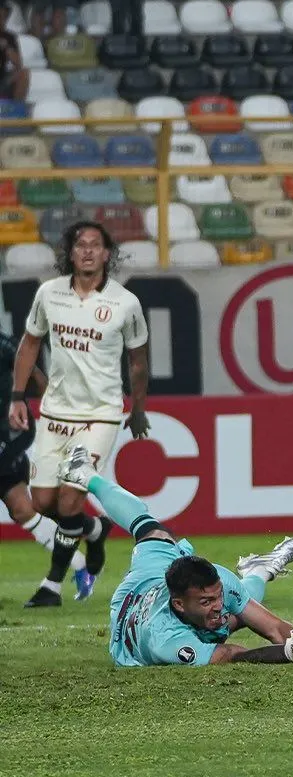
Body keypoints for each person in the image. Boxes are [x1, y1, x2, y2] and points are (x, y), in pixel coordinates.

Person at [53, 448, 293, 666]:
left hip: (159, 575)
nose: (216, 605)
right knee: (230, 620)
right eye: (207, 601)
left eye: (216, 596)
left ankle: (85, 473)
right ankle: (260, 570)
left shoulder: (217, 582)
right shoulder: (165, 640)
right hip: (135, 598)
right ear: (179, 604)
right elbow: (230, 655)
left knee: (154, 532)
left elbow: (273, 628)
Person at [8, 220, 149, 609]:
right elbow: (29, 344)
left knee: (70, 502)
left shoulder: (125, 303)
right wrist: (18, 396)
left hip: (100, 415)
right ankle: (95, 528)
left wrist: (137, 408)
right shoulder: (49, 294)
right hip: (55, 413)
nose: (88, 251)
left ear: (107, 254)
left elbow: (138, 361)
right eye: (80, 245)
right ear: (70, 253)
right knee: (43, 503)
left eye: (96, 245)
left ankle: (50, 587)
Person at [0, 324, 59, 561]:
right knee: (22, 510)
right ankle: (78, 553)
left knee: (23, 509)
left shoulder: (5, 345)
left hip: (8, 434)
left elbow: (33, 374)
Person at [0, 0, 31, 103]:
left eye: (4, 17)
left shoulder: (10, 38)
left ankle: (17, 109)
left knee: (24, 73)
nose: (1, 20)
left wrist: (7, 48)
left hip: (3, 78)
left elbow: (18, 64)